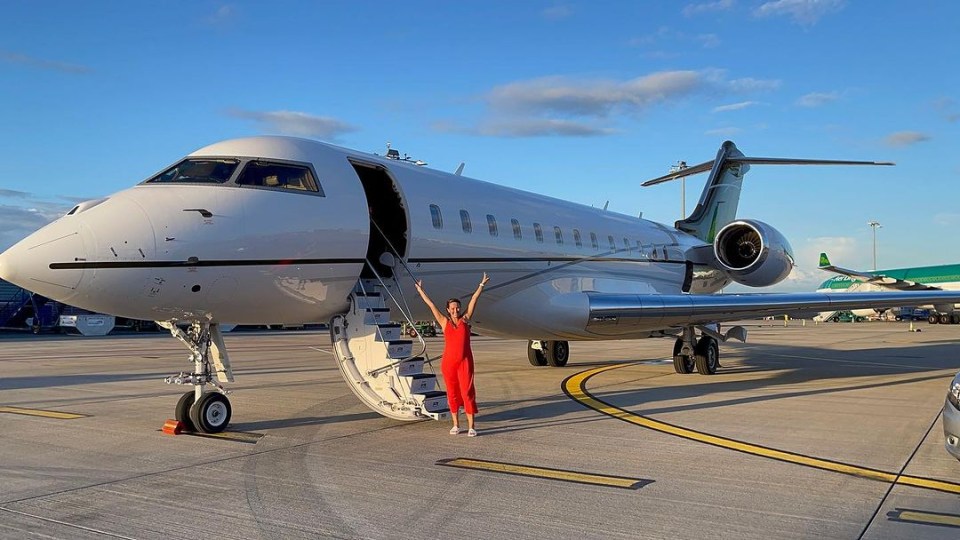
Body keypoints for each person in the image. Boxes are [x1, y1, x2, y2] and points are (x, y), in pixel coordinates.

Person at [414, 273, 490, 437]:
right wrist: (421, 291)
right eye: (452, 308)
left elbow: (474, 300)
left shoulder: (466, 319)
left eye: (457, 308)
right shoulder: (444, 322)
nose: (455, 310)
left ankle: (471, 426)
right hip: (449, 364)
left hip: (465, 362)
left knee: (467, 392)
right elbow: (431, 305)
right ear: (448, 310)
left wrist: (481, 285)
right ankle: (456, 424)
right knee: (452, 393)